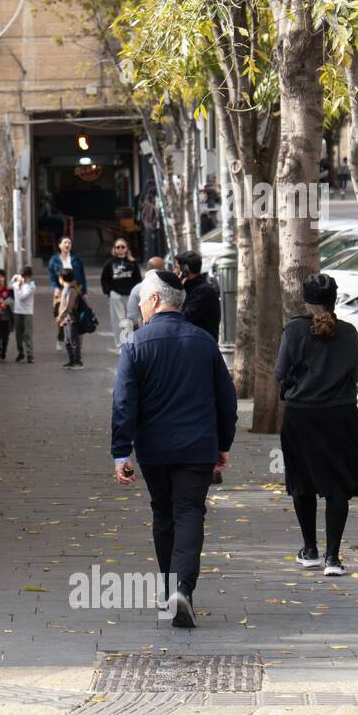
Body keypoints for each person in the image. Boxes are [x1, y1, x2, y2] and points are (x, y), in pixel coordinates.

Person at [112, 269, 237, 628]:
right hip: (198, 448)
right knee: (190, 513)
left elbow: (123, 403)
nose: (138, 306)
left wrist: (121, 452)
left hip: (154, 450)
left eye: (142, 299)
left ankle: (171, 589)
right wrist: (223, 444)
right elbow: (226, 400)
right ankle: (183, 588)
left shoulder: (135, 345)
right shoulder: (204, 342)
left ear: (154, 299)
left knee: (163, 514)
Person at [275, 274, 358, 577]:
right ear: (334, 300)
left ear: (306, 300)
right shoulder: (349, 332)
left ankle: (309, 551)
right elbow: (355, 373)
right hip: (340, 415)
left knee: (301, 483)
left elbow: (280, 372)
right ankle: (333, 557)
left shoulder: (293, 331)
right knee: (337, 485)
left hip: (300, 416)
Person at [48, 237, 87, 351]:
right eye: (65, 242)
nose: (68, 244)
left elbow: (83, 276)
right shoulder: (54, 260)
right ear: (60, 245)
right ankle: (61, 336)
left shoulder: (76, 259)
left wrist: (84, 292)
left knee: (78, 315)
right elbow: (52, 277)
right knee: (60, 314)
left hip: (76, 289)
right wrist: (55, 288)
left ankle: (77, 342)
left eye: (69, 242)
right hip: (61, 291)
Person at [101, 238, 140, 350]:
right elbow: (104, 279)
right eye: (118, 247)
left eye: (123, 246)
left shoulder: (133, 263)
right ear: (114, 249)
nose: (120, 249)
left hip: (130, 295)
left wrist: (137, 294)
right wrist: (109, 292)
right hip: (116, 295)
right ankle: (121, 345)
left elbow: (138, 279)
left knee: (130, 320)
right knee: (119, 320)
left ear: (127, 249)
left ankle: (129, 343)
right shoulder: (110, 263)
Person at [174, 249, 221, 342]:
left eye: (176, 267)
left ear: (185, 269)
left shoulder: (203, 291)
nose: (174, 271)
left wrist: (176, 288)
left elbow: (183, 318)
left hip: (202, 346)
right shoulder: (190, 288)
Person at [126, 256, 165, 334]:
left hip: (145, 332)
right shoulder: (169, 288)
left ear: (147, 269)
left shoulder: (137, 289)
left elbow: (132, 316)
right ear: (163, 269)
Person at [55, 267, 84, 369]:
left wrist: (60, 317)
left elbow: (68, 307)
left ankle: (78, 362)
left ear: (62, 278)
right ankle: (71, 361)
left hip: (71, 320)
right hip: (66, 320)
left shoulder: (71, 290)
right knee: (67, 342)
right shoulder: (65, 289)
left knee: (74, 341)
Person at [10, 266, 37, 363]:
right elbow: (10, 284)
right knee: (18, 335)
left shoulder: (32, 286)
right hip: (17, 312)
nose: (24, 278)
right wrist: (15, 277)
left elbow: (22, 297)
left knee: (28, 334)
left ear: (29, 276)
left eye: (26, 276)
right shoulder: (16, 284)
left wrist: (19, 286)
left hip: (27, 313)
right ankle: (20, 353)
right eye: (23, 276)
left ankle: (30, 355)